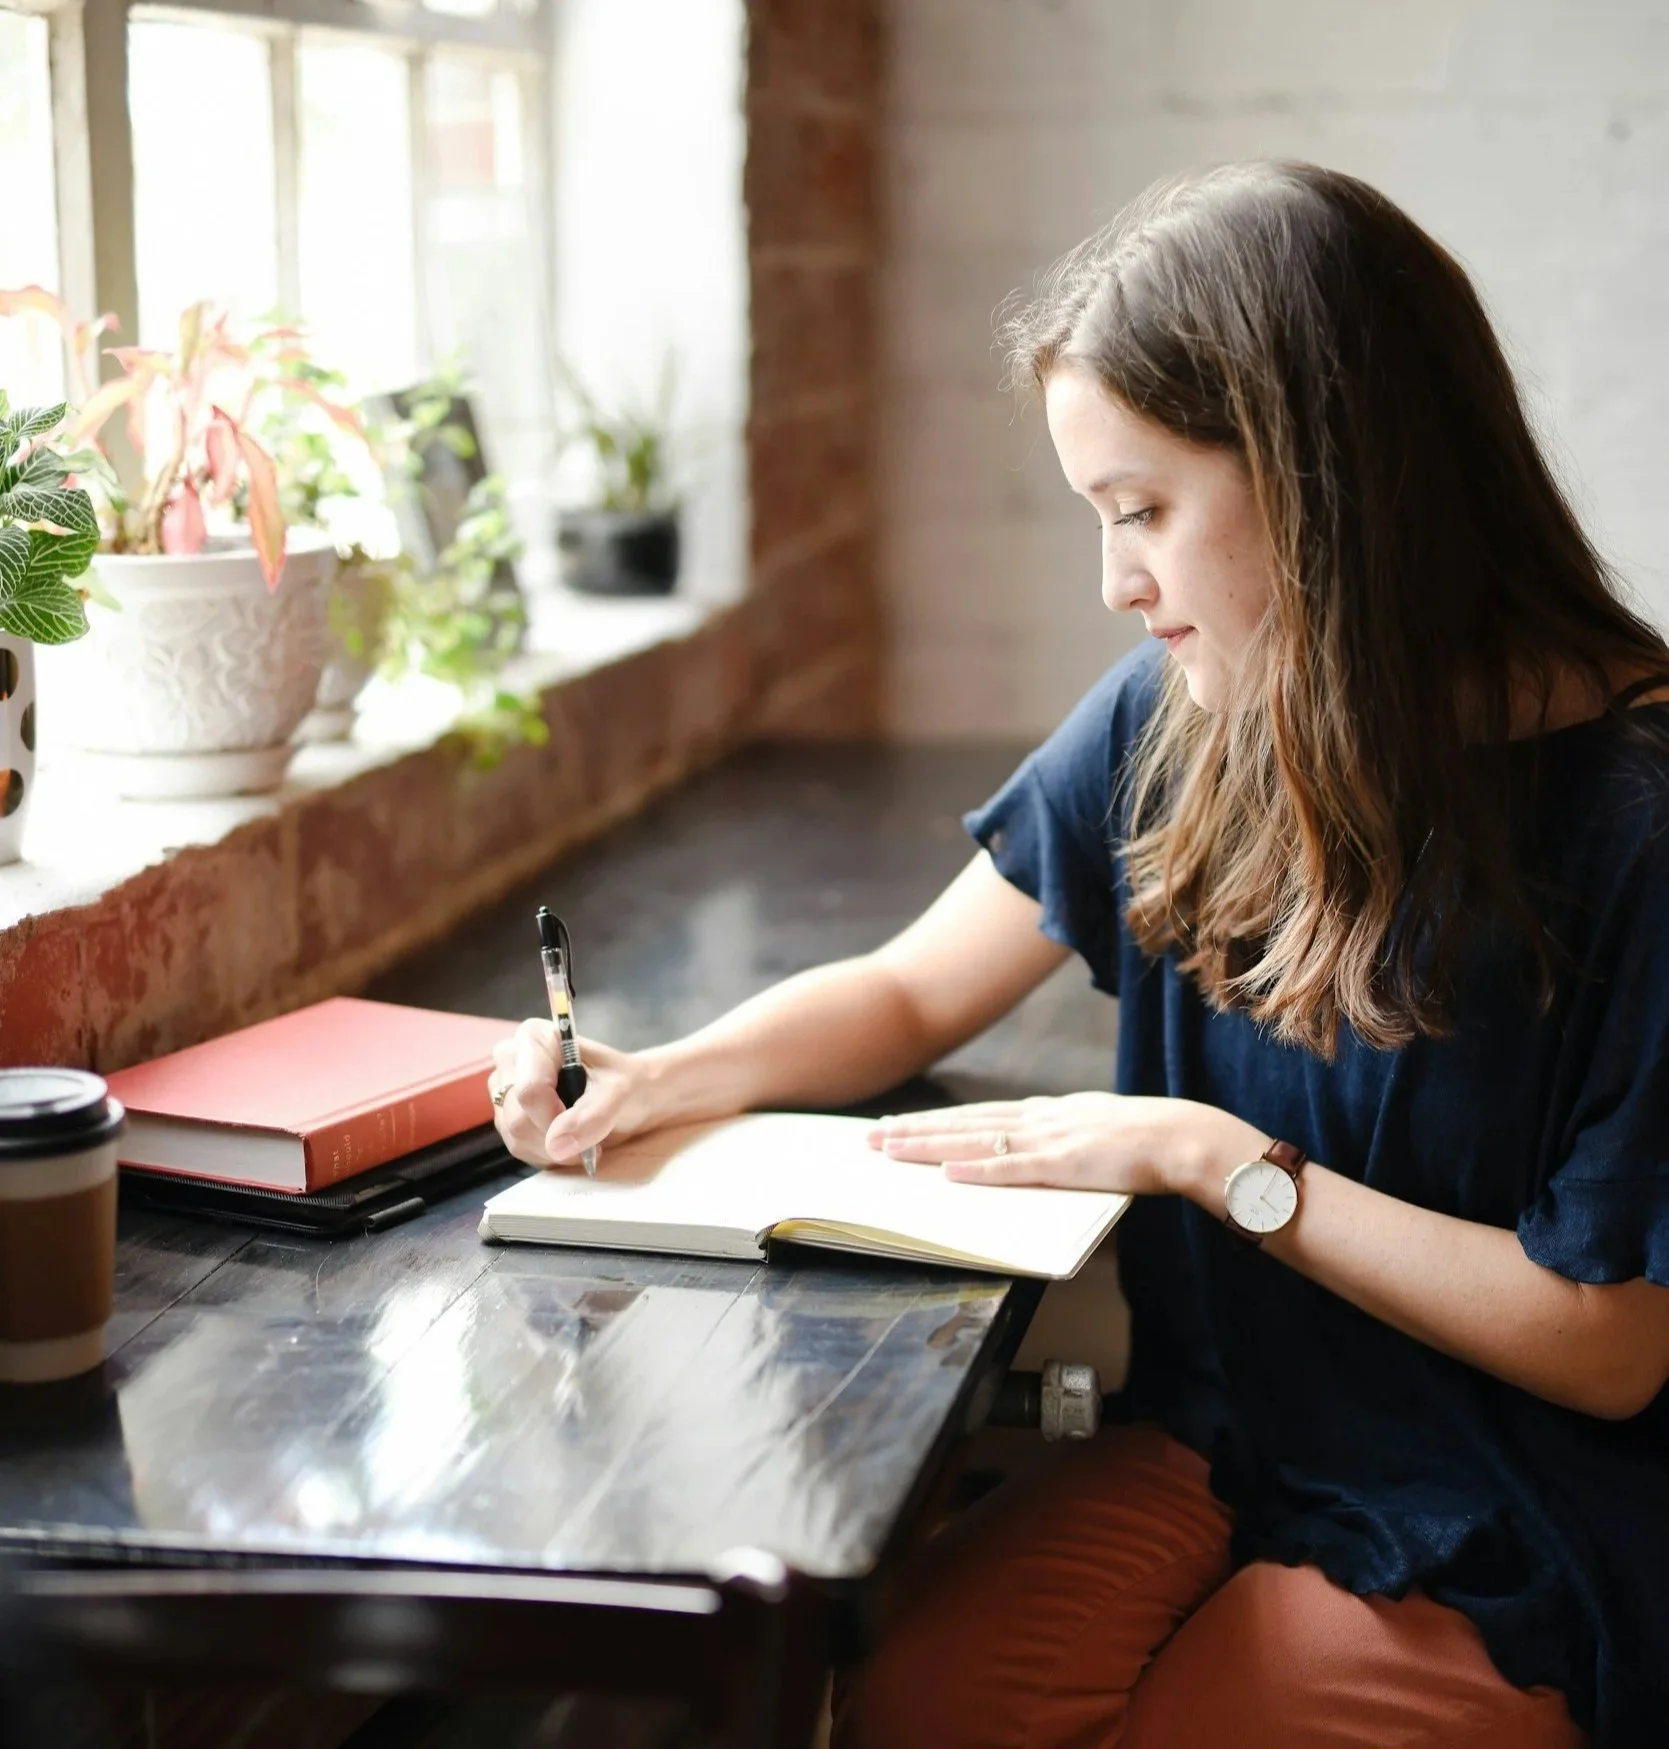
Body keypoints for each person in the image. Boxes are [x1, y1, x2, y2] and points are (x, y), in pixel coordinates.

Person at [490, 162, 1669, 1747]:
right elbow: (914, 986)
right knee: (907, 1702)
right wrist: (656, 1075)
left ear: (1329, 477)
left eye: (1143, 514)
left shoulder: (1639, 824)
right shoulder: (1189, 711)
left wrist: (1213, 1157)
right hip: (1227, 1425)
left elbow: (1608, 1349)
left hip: (1524, 1497)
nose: (1117, 584)